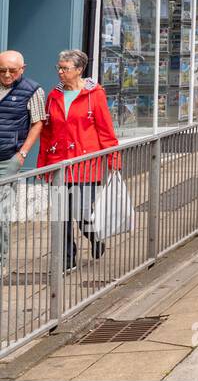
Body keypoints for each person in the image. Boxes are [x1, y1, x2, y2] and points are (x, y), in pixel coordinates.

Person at [37, 50, 120, 271]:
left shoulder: (95, 94)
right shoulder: (53, 96)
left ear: (79, 69)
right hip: (58, 162)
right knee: (60, 214)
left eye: (65, 68)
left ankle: (95, 237)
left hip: (86, 164)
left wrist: (113, 160)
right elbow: (47, 133)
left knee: (81, 212)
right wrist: (43, 164)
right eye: (59, 68)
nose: (61, 72)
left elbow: (105, 129)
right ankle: (67, 258)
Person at [0, 51, 47, 273]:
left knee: (1, 213)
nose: (7, 75)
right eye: (2, 70)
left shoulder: (33, 90)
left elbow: (37, 123)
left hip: (8, 158)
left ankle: (1, 261)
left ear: (23, 69)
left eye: (12, 70)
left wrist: (23, 154)